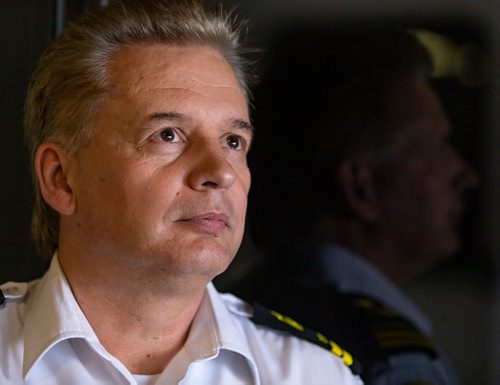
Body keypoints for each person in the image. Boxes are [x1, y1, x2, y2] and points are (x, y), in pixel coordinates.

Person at [0, 2, 363, 384]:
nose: (220, 172)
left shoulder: (313, 374)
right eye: (167, 135)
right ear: (61, 178)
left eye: (233, 141)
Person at [230, 27, 478, 385]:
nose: (466, 175)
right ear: (360, 189)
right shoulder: (394, 365)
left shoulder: (234, 310)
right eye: (438, 150)